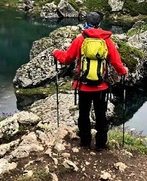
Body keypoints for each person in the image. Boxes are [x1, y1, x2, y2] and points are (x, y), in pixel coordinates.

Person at [53, 11, 128, 150]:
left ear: (86, 23)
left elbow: (66, 59)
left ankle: (85, 142)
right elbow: (116, 62)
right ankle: (100, 144)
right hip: (101, 86)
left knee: (83, 114)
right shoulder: (106, 40)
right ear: (99, 24)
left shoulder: (80, 39)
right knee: (101, 114)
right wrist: (123, 71)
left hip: (83, 85)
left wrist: (56, 52)